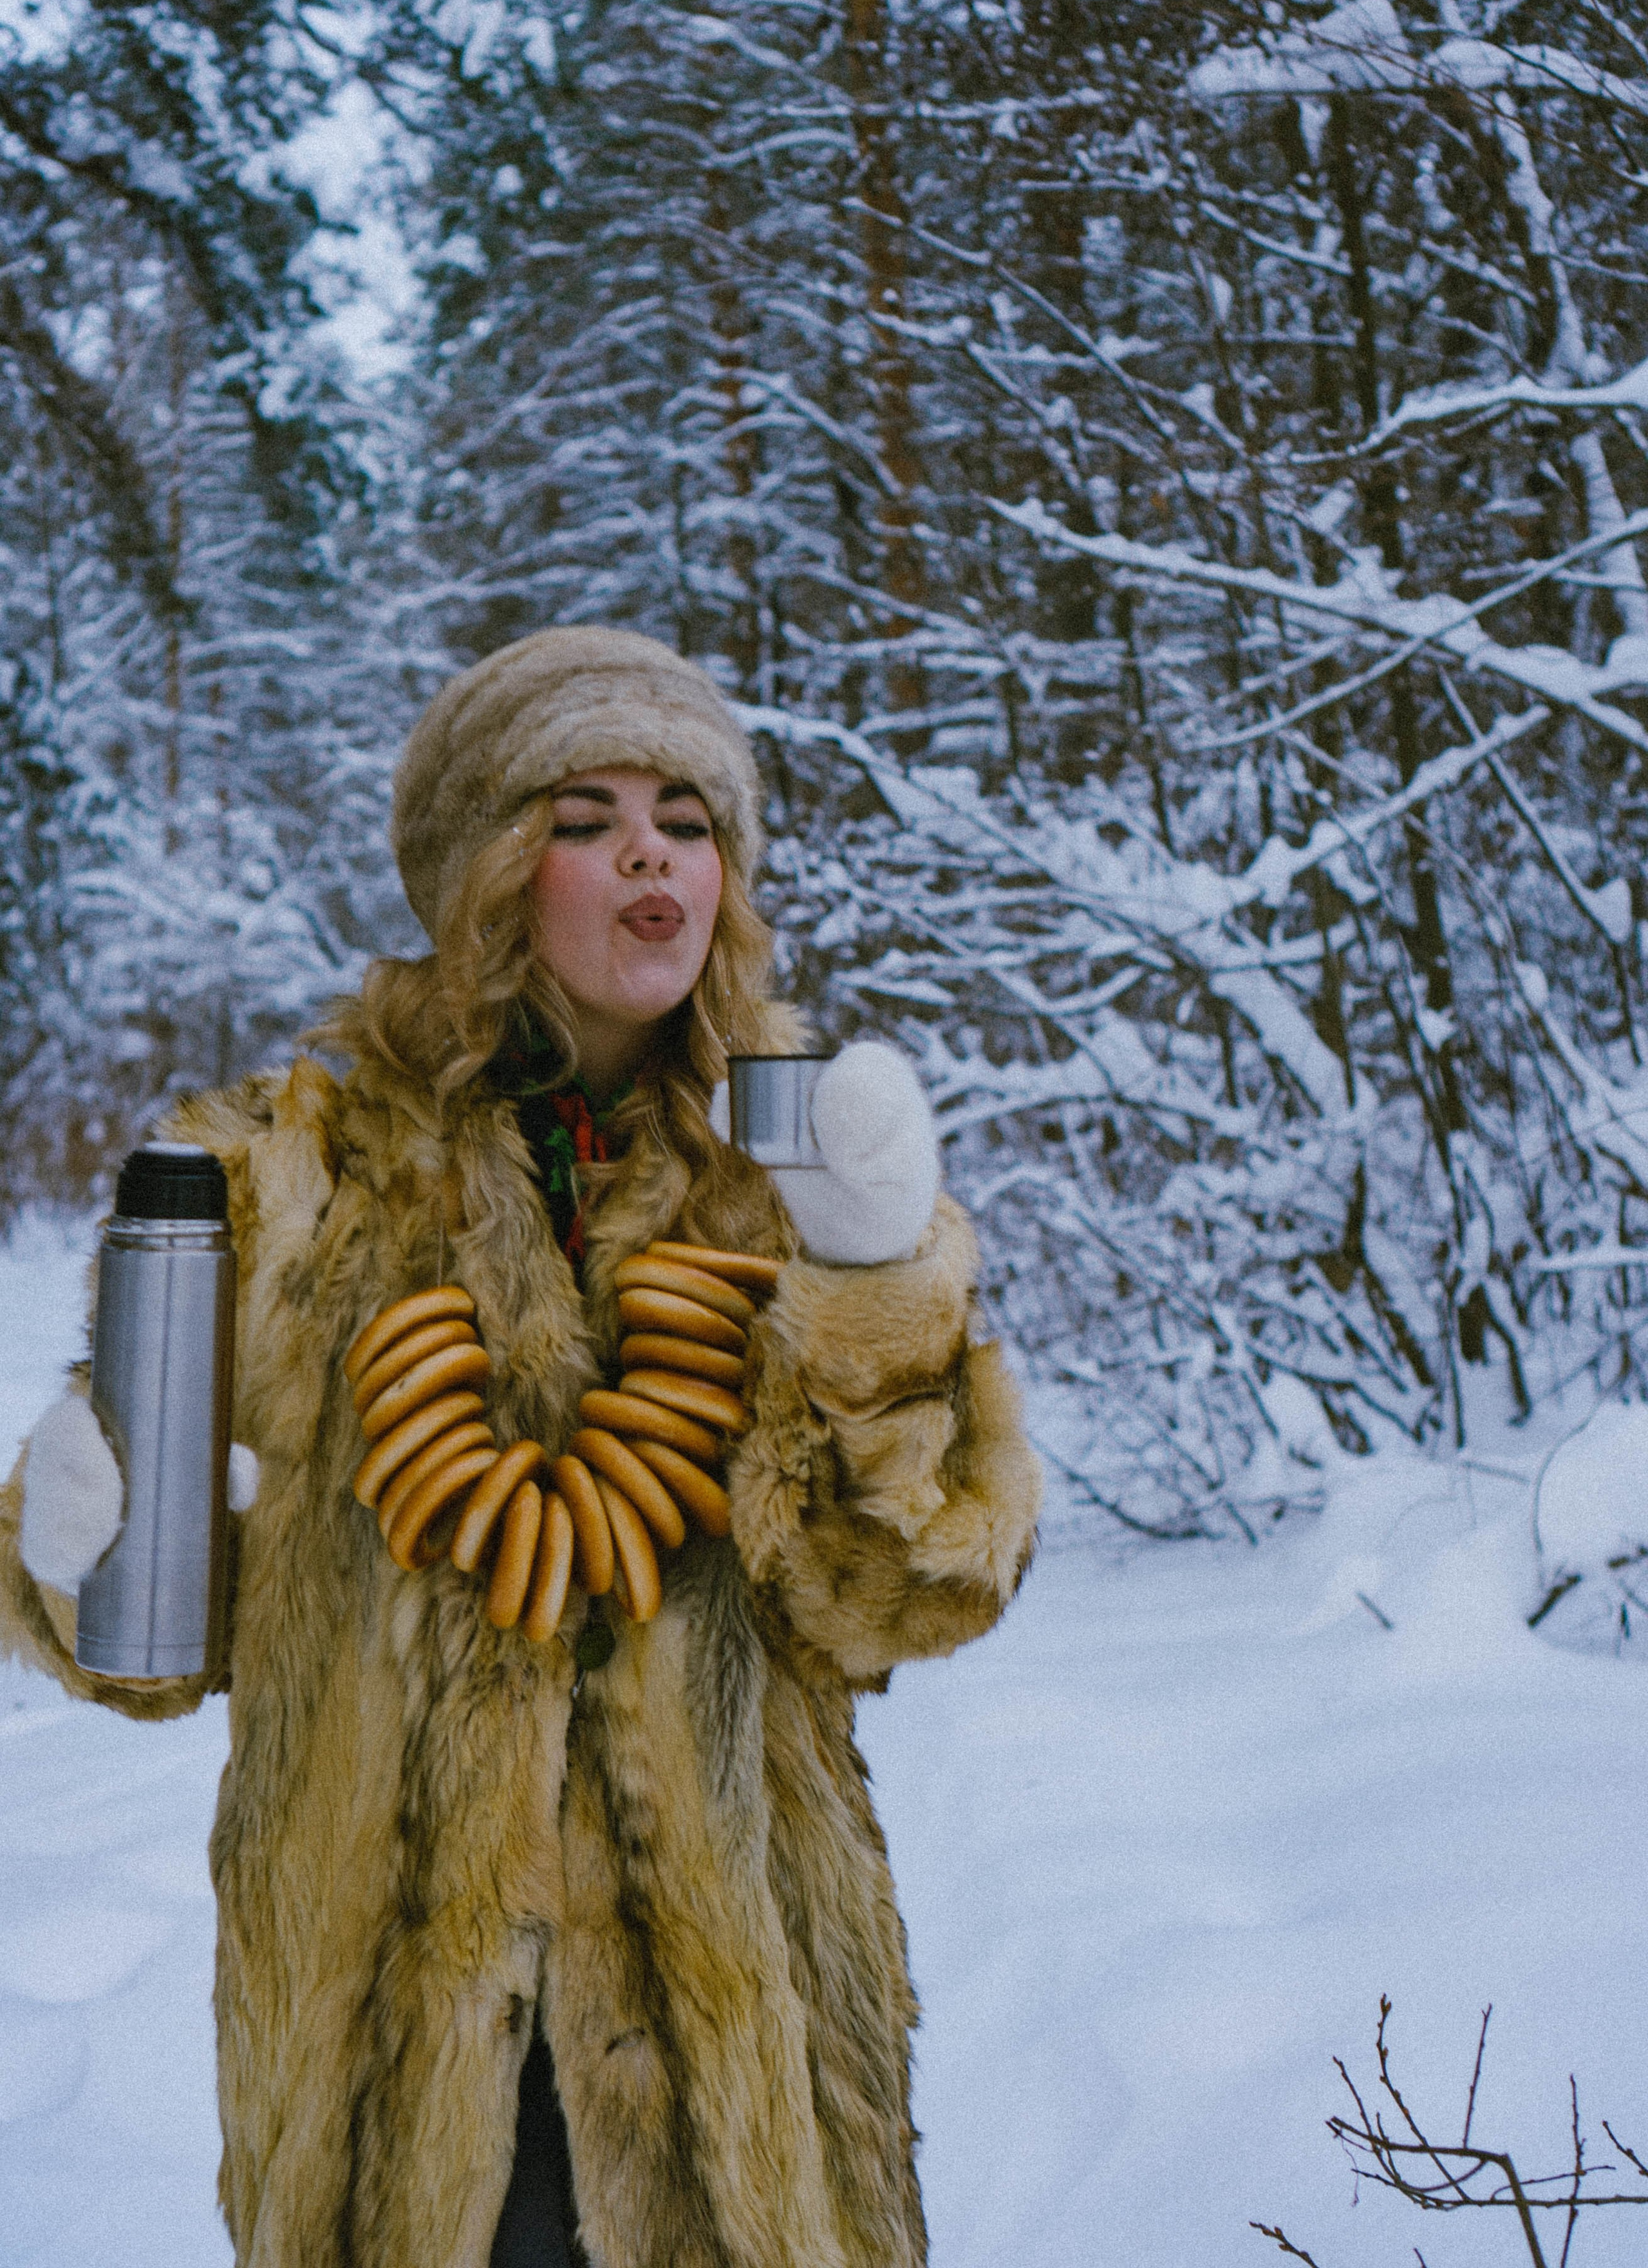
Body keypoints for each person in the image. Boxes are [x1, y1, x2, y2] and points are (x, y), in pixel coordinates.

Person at [0, 626, 1042, 2268]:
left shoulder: (801, 1177)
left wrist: (876, 1298)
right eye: (585, 813)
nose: (650, 852)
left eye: (688, 821)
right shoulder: (295, 1185)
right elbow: (136, 1650)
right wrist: (78, 1541)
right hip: (390, 2078)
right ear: (487, 872)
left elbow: (897, 1598)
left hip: (736, 2067)